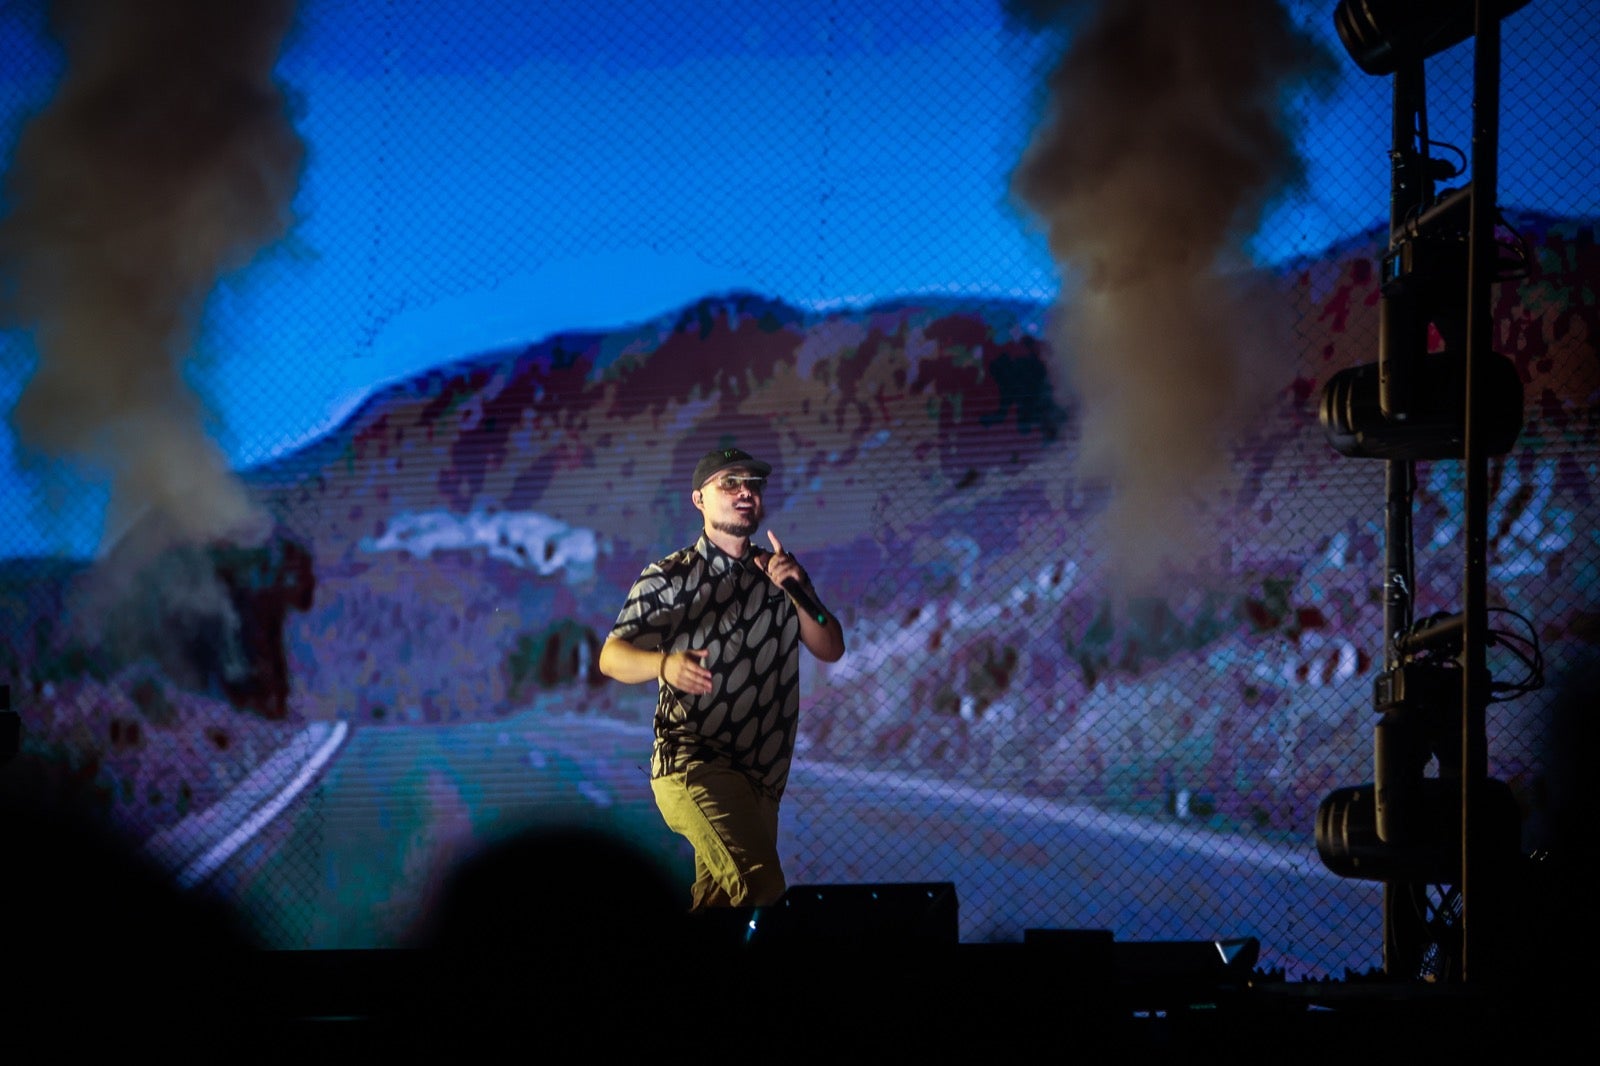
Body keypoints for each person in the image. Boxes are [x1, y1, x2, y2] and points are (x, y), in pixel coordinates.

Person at [599, 446, 846, 912]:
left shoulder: (778, 575)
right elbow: (611, 657)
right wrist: (665, 665)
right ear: (699, 500)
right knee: (762, 888)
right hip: (695, 764)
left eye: (752, 485)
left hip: (761, 778)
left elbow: (830, 647)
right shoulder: (670, 577)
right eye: (729, 483)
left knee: (719, 909)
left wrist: (800, 589)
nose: (744, 493)